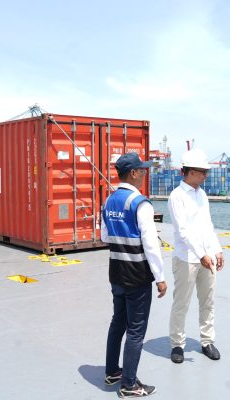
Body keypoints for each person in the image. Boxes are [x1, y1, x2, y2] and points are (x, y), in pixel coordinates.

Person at [102, 152, 168, 398]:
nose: (144, 174)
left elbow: (104, 236)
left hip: (116, 273)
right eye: (142, 170)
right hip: (137, 276)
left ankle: (112, 372)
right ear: (133, 173)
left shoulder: (109, 201)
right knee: (136, 331)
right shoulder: (141, 204)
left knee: (117, 322)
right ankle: (129, 385)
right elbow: (150, 245)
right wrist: (160, 278)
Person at [167, 148, 224, 364]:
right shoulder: (177, 196)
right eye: (203, 172)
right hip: (187, 259)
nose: (205, 176)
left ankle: (207, 341)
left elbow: (207, 225)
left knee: (207, 301)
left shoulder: (202, 194)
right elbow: (183, 231)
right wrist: (201, 254)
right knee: (181, 303)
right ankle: (177, 344)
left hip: (206, 257)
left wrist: (217, 249)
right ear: (190, 172)